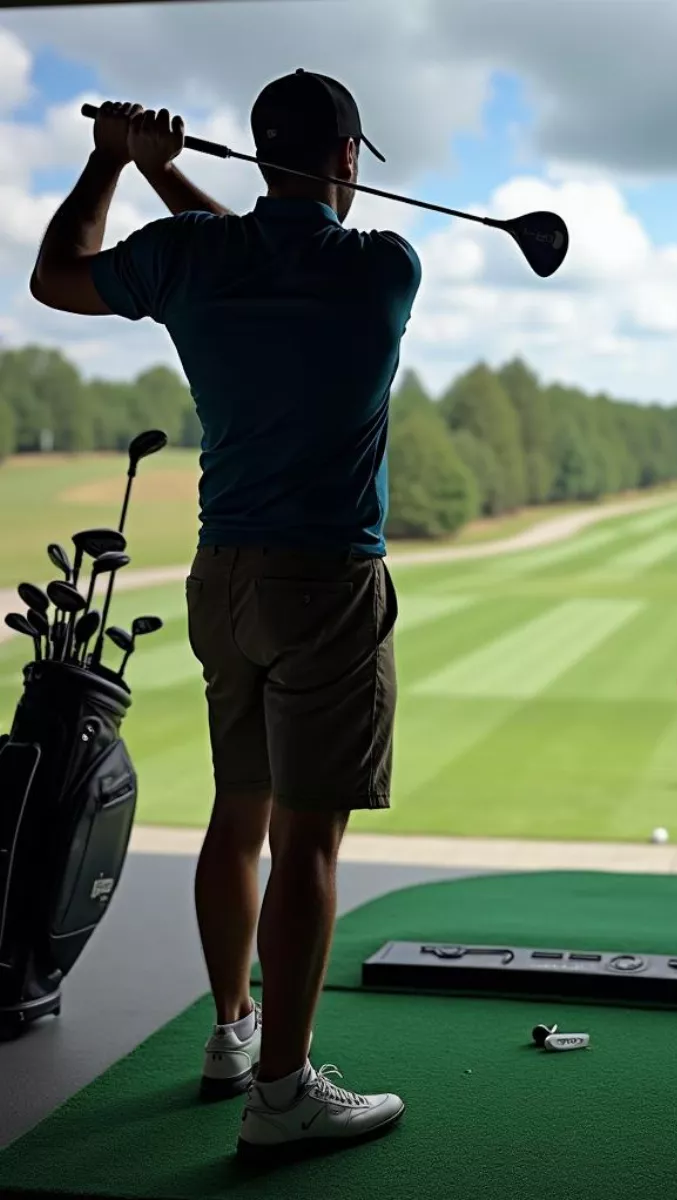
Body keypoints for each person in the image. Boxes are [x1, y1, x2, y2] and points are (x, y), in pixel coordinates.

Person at [29, 69, 420, 1161]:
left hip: (223, 579)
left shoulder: (192, 260)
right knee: (307, 843)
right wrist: (167, 174)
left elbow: (57, 275)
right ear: (348, 160)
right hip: (328, 583)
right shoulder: (386, 267)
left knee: (237, 813)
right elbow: (270, 245)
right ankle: (285, 1093)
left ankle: (231, 1037)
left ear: (263, 152)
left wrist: (121, 162)